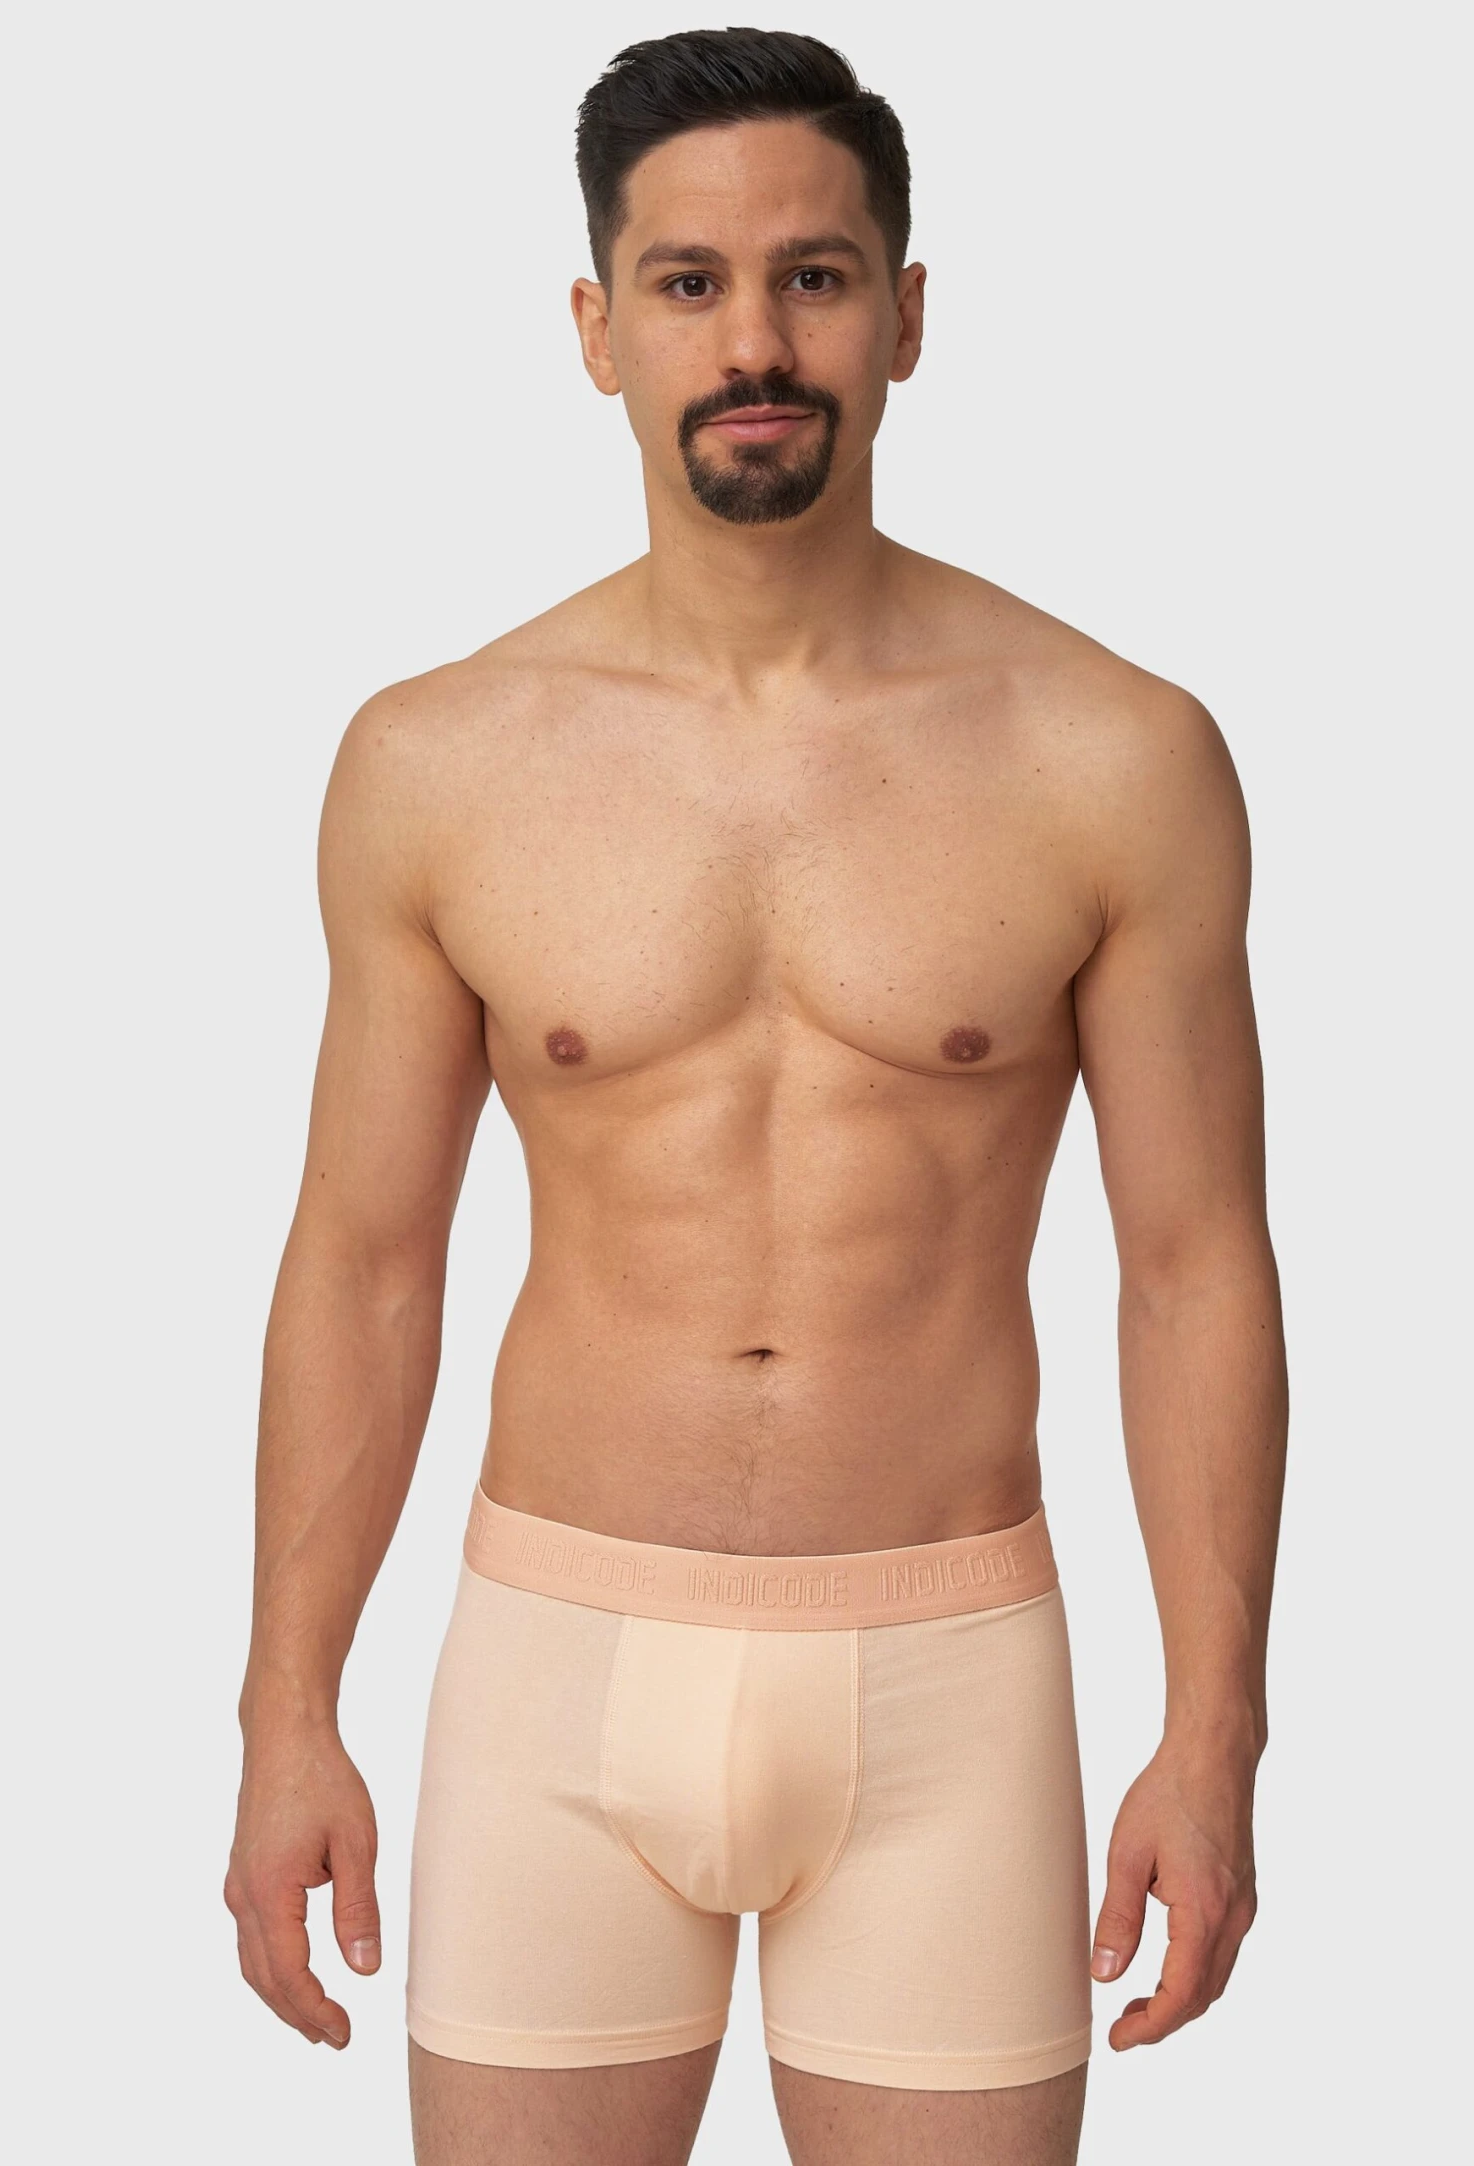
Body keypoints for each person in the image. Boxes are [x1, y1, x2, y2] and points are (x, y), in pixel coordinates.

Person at [224, 28, 1288, 2166]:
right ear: (597, 331)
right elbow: (365, 1258)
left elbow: (1192, 1267)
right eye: (690, 283)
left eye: (814, 274)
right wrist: (284, 1707)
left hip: (949, 1678)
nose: (755, 343)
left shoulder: (1114, 754)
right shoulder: (437, 762)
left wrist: (1215, 1734)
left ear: (907, 311)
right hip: (553, 1665)